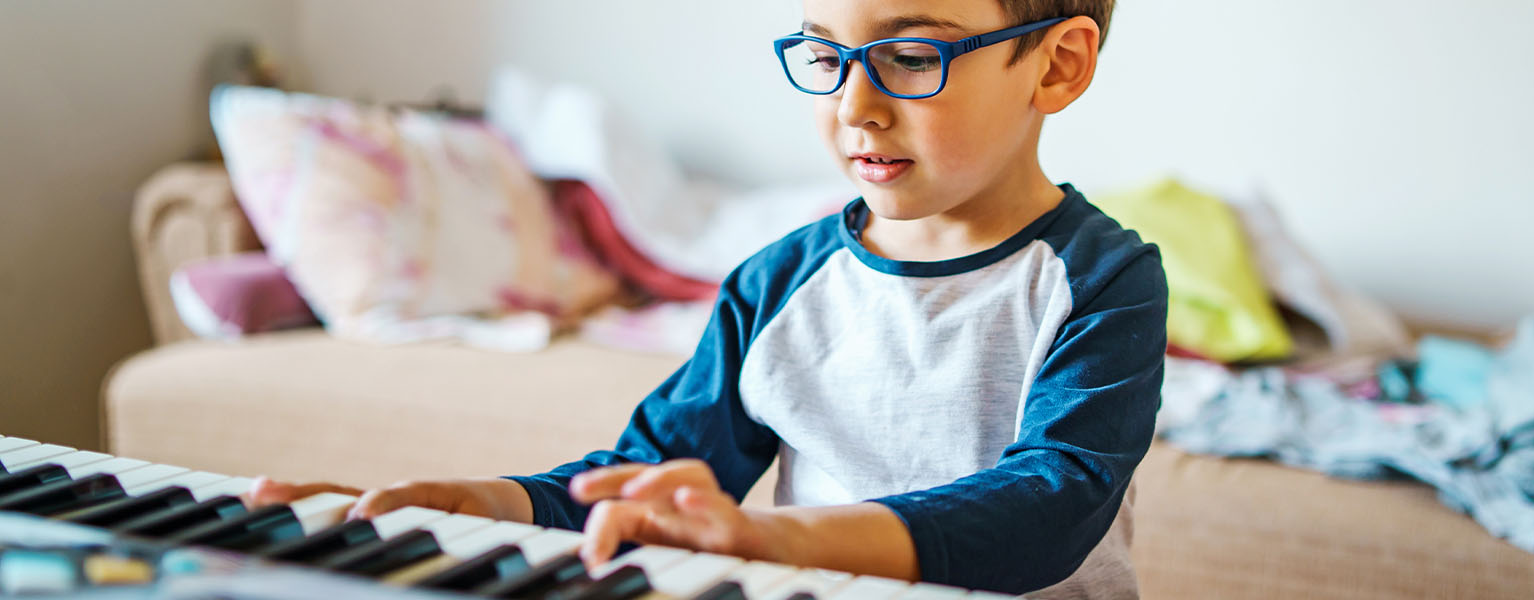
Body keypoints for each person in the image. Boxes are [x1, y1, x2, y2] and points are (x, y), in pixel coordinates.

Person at [252, 0, 1163, 595]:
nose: (856, 106)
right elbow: (647, 483)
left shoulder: (1104, 280)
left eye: (912, 55)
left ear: (1057, 65)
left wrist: (778, 540)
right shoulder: (778, 284)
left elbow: (1051, 508)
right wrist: (471, 504)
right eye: (827, 55)